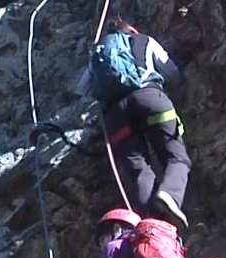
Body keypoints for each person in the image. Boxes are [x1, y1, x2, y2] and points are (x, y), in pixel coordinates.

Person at [77, 17, 191, 228]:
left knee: (140, 170)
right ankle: (170, 196)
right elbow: (172, 73)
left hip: (115, 116)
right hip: (150, 99)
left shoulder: (98, 57)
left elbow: (81, 90)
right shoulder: (144, 41)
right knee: (177, 158)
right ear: (131, 30)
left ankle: (153, 224)